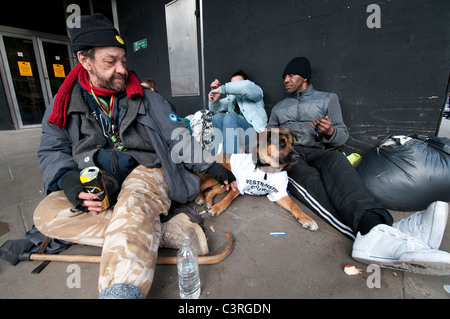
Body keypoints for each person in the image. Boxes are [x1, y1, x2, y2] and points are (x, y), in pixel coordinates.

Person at [34, 13, 236, 299]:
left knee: (135, 200)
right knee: (46, 214)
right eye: (110, 62)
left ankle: (122, 290)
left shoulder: (145, 97)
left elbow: (177, 134)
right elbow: (52, 147)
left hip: (147, 169)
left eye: (123, 61)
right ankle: (161, 231)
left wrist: (210, 165)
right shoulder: (64, 102)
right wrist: (66, 178)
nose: (121, 70)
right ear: (84, 60)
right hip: (96, 176)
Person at [267, 57, 450, 274]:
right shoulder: (279, 107)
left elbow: (342, 136)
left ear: (304, 76)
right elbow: (265, 138)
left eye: (290, 75)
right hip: (291, 155)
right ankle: (382, 229)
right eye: (284, 77)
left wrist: (329, 132)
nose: (286, 80)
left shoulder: (327, 99)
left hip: (320, 151)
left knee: (339, 164)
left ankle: (383, 231)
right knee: (313, 183)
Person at [208, 70, 267, 154]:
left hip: (255, 133)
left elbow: (245, 86)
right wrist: (214, 95)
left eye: (237, 84)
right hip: (237, 135)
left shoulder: (256, 92)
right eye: (232, 84)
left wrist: (222, 89)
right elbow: (215, 110)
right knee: (217, 117)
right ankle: (217, 156)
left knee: (230, 117)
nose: (235, 87)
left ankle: (231, 158)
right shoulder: (231, 98)